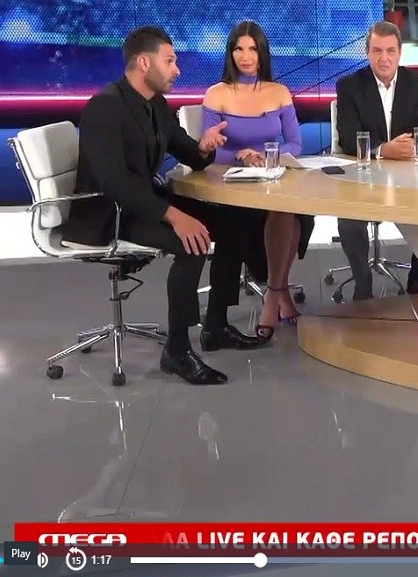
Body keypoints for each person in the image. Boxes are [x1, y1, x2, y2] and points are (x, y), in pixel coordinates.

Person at [63, 26, 269, 385]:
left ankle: (216, 327)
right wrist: (174, 216)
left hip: (143, 200)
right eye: (170, 61)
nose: (177, 69)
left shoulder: (156, 104)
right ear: (144, 63)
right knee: (190, 242)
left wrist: (204, 147)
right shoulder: (105, 107)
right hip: (109, 213)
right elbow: (115, 182)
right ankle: (177, 350)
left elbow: (186, 150)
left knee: (232, 220)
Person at [201, 20, 313, 341]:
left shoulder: (279, 93)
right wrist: (240, 156)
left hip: (271, 179)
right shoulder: (216, 94)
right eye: (239, 49)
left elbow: (295, 144)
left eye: (252, 49)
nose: (246, 56)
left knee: (291, 211)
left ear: (262, 52)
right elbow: (209, 148)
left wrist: (265, 155)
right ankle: (279, 295)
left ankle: (274, 294)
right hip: (231, 187)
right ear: (230, 53)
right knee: (272, 216)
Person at [335, 20, 418, 299]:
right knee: (348, 220)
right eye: (377, 51)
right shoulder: (349, 86)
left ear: (400, 53)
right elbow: (347, 138)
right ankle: (363, 281)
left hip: (410, 179)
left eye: (390, 51)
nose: (384, 58)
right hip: (365, 180)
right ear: (367, 53)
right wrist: (383, 150)